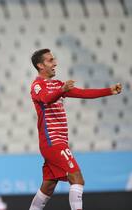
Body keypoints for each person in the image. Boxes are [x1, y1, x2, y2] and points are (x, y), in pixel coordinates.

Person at [28, 48, 122, 210]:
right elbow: (46, 99)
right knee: (77, 178)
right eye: (50, 60)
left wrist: (109, 91)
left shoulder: (58, 85)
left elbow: (83, 93)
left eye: (54, 59)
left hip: (59, 141)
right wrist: (61, 90)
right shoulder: (37, 86)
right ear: (40, 65)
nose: (55, 63)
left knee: (48, 186)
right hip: (52, 141)